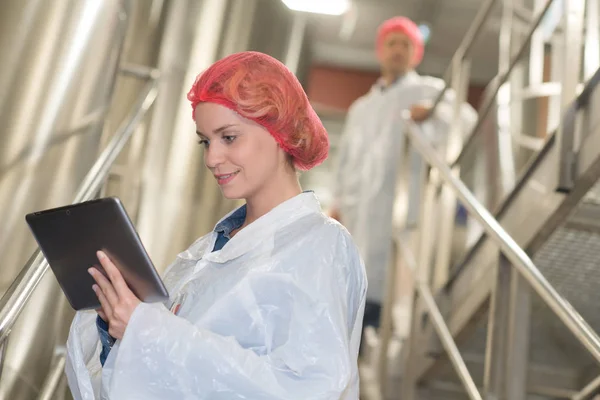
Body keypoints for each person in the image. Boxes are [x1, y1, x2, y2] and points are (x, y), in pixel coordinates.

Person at [65, 51, 367, 399]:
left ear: (279, 132)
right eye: (205, 141)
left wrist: (147, 329)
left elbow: (308, 388)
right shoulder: (207, 250)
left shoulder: (320, 245)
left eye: (229, 137)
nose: (211, 158)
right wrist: (115, 324)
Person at [328, 17, 476, 336]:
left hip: (405, 211)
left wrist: (434, 112)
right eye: (391, 43)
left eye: (405, 44)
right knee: (349, 296)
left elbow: (467, 119)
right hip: (358, 211)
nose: (397, 50)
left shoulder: (430, 91)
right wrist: (337, 202)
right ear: (381, 50)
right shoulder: (360, 108)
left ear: (416, 54)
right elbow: (346, 161)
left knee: (395, 293)